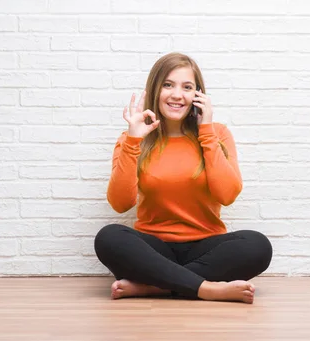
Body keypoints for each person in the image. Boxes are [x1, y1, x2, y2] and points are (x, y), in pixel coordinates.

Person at [93, 52, 273, 304]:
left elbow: (228, 195)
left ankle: (156, 287)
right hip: (153, 250)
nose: (177, 94)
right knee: (109, 237)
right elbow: (120, 203)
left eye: (187, 87)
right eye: (168, 85)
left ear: (197, 95)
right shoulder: (133, 138)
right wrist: (133, 140)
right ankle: (207, 289)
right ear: (155, 89)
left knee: (258, 245)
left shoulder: (216, 133)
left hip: (206, 248)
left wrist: (206, 130)